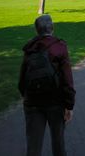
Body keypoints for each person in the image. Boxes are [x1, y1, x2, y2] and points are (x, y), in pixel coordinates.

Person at [18, 14, 76, 156]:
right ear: (52, 28)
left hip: (33, 102)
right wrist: (69, 105)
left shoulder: (30, 47)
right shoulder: (60, 47)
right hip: (56, 101)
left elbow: (22, 78)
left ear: (36, 30)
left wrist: (26, 97)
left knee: (33, 145)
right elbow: (67, 79)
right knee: (58, 143)